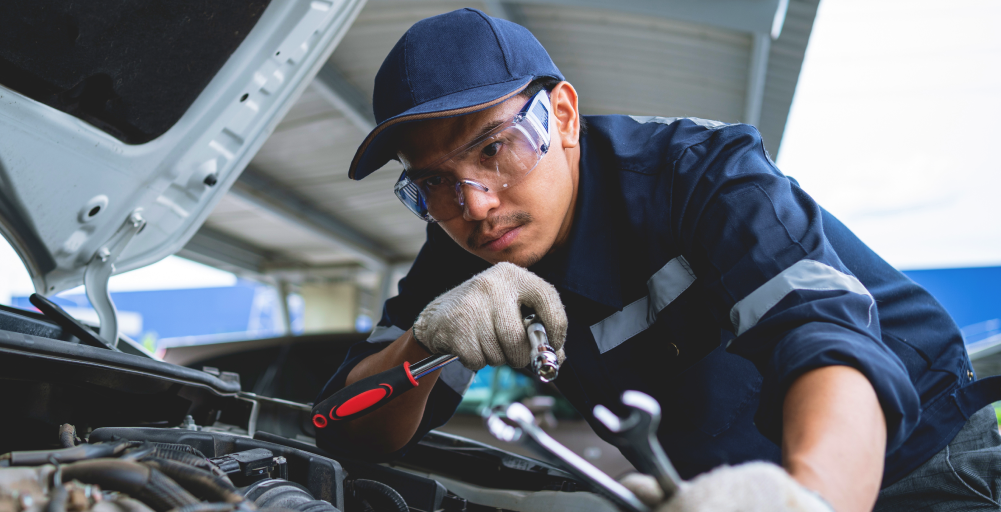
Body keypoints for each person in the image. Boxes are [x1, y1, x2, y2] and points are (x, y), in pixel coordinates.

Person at [315, 8, 1001, 512]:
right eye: (432, 181)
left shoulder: (699, 175)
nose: (475, 203)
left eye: (494, 148)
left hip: (917, 464)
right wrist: (421, 344)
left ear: (562, 114)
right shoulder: (461, 255)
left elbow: (827, 340)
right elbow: (347, 429)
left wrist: (808, 502)